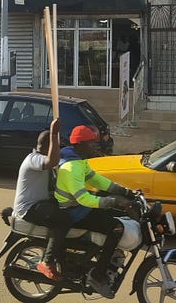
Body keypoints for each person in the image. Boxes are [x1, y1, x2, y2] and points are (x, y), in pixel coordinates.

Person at [55, 125, 135, 299]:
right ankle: (97, 275)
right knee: (117, 228)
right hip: (73, 212)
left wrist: (124, 191)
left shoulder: (79, 158)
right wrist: (114, 201)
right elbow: (83, 199)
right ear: (81, 144)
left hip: (80, 208)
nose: (96, 146)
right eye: (92, 143)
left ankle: (106, 258)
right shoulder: (71, 167)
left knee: (114, 215)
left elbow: (95, 179)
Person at [13, 118, 71, 281]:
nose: (58, 150)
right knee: (63, 220)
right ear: (47, 146)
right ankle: (47, 261)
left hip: (40, 204)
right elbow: (51, 160)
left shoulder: (41, 160)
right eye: (55, 147)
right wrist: (54, 134)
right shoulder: (33, 159)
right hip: (29, 208)